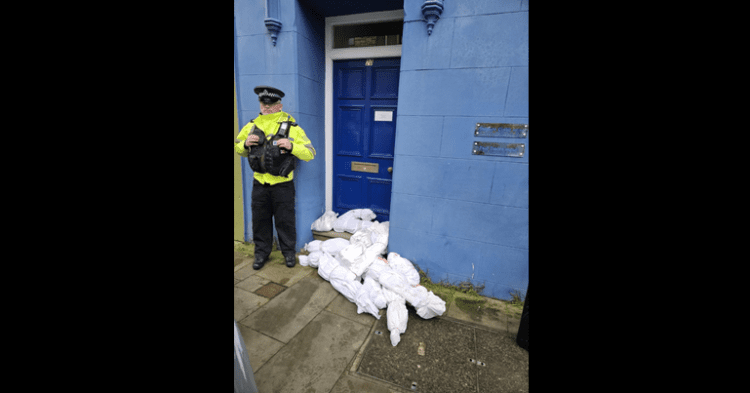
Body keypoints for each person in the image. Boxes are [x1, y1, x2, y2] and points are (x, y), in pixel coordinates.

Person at [235, 86, 316, 270]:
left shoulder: (292, 127)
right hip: (260, 184)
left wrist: (292, 146)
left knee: (285, 221)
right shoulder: (251, 126)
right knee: (260, 221)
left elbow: (311, 153)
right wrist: (245, 144)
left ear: (279, 105)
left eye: (270, 104)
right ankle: (261, 253)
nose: (266, 107)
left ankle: (288, 253)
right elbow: (238, 147)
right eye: (263, 103)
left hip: (283, 186)